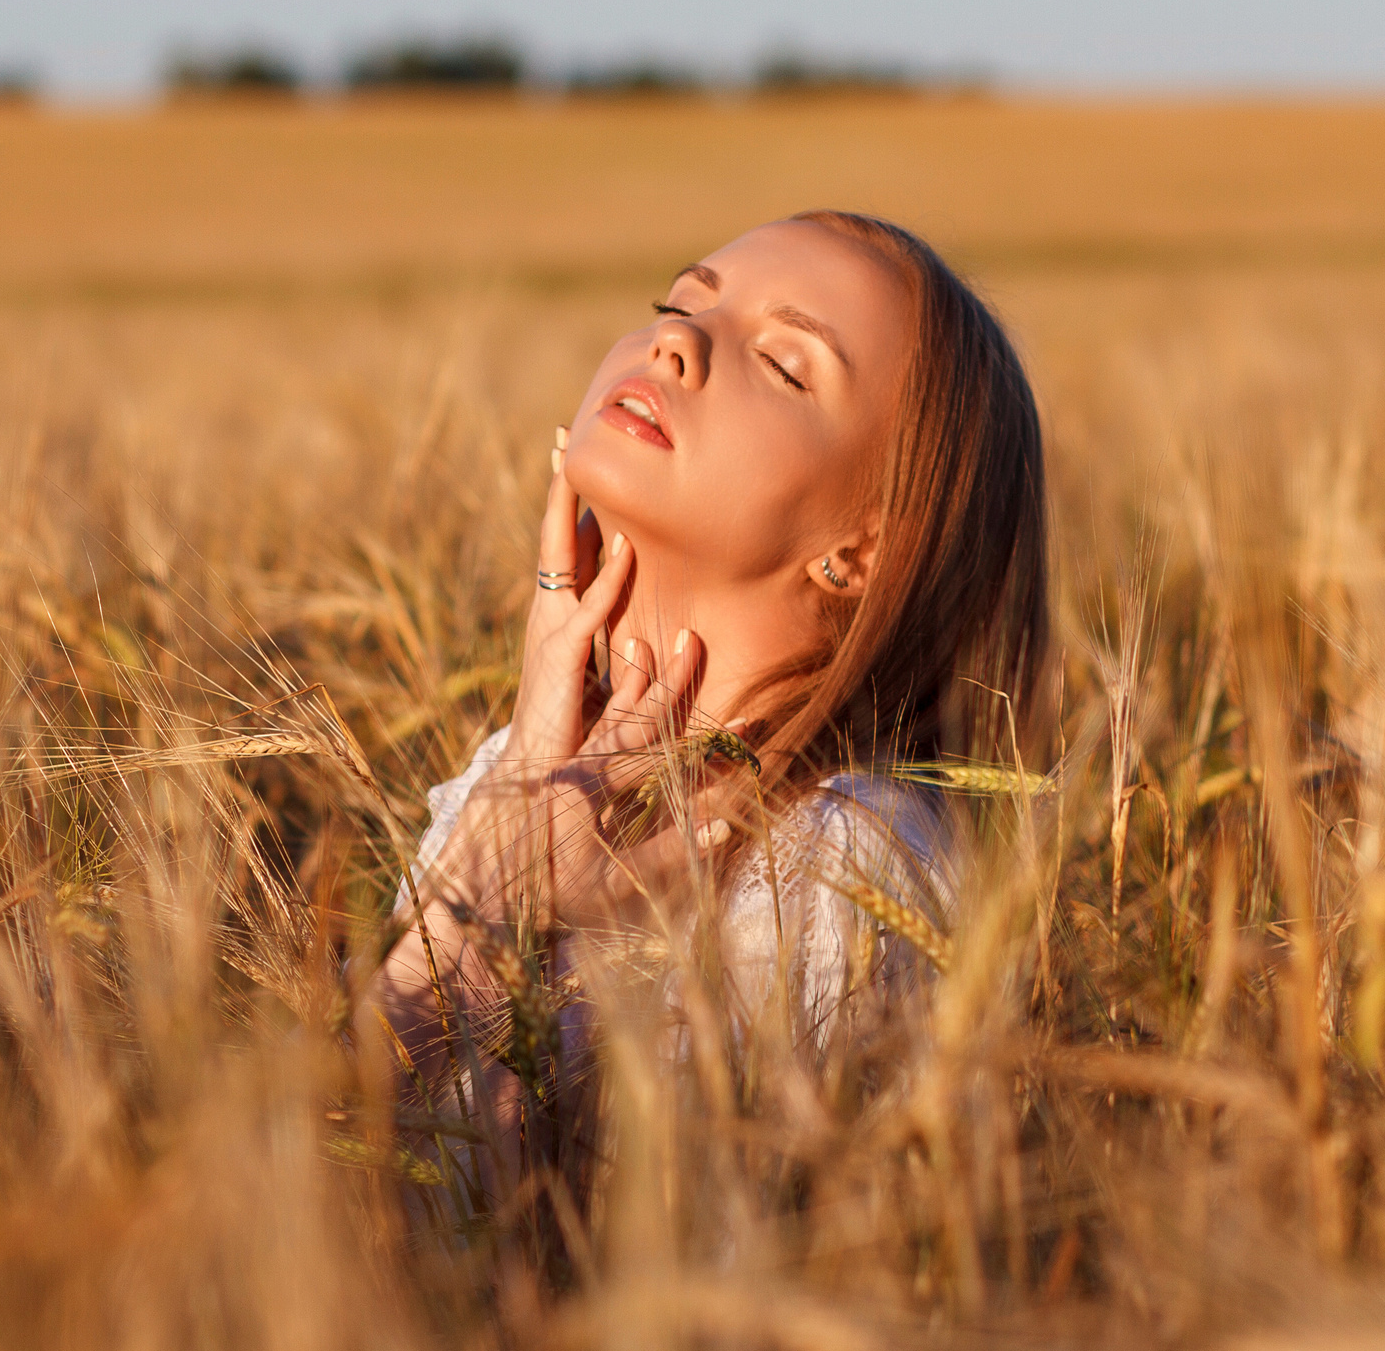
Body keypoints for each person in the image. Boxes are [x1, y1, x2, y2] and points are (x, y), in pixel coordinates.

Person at [376, 210, 1047, 1183]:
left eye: (781, 365)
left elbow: (687, 1248)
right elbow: (308, 1165)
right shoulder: (514, 775)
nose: (676, 343)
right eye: (678, 304)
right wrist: (505, 838)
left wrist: (499, 918)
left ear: (862, 548)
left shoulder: (844, 865)